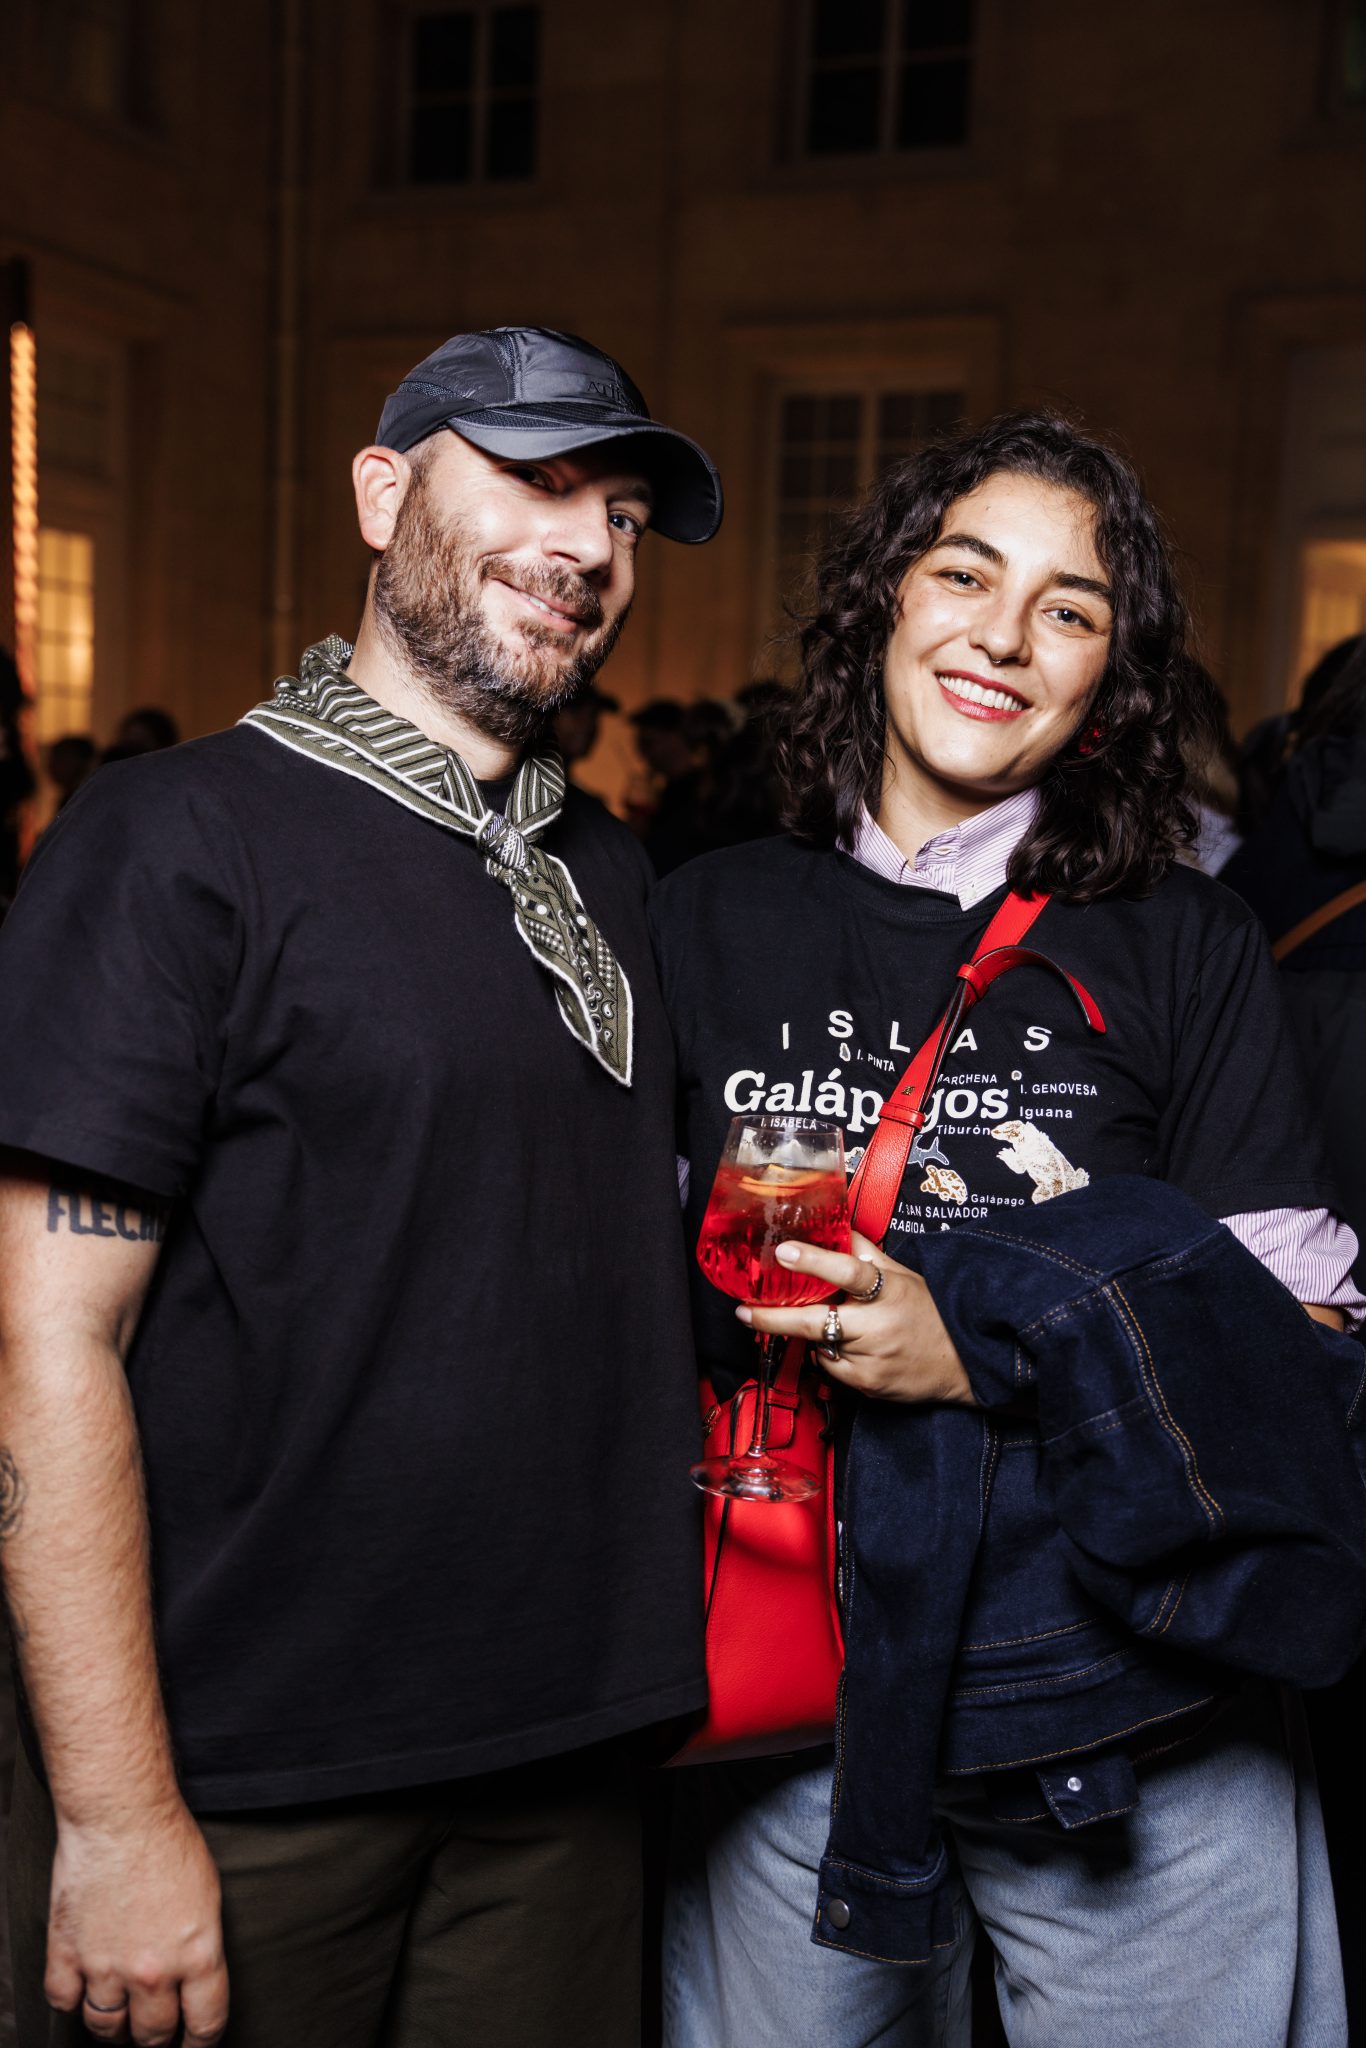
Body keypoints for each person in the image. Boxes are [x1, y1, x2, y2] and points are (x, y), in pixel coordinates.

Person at [0, 325, 722, 2048]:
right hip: (252, 1775)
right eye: (537, 479)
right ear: (384, 492)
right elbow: (42, 1352)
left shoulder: (609, 870)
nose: (587, 546)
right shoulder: (176, 835)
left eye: (621, 512)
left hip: (567, 1757)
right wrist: (113, 1817)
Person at [651, 411, 1363, 2047]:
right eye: (963, 573)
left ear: (1108, 682)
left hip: (1126, 1702)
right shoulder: (703, 916)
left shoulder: (1186, 943)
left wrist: (976, 1356)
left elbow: (1301, 1364)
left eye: (1070, 608)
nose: (1000, 635)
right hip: (788, 1697)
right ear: (881, 601)